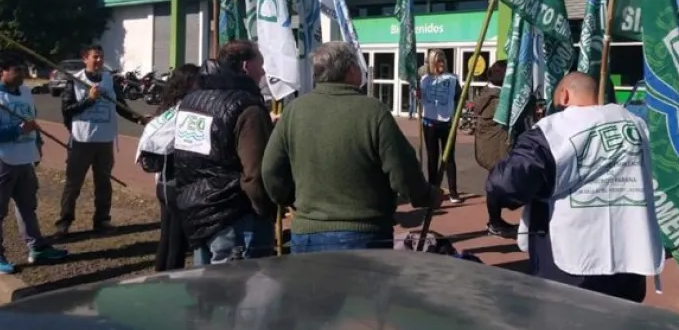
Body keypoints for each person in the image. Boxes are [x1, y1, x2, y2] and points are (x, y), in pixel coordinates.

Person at [486, 72, 663, 303]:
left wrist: (498, 210)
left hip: (571, 260)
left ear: (565, 95)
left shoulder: (553, 131)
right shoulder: (637, 124)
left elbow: (506, 184)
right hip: (629, 255)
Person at [261, 41, 442, 253]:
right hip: (364, 233)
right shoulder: (373, 111)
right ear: (351, 70)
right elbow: (403, 173)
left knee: (311, 287)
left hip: (307, 233)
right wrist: (428, 196)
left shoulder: (294, 111)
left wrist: (295, 201)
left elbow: (270, 171)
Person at [172, 40, 276, 265]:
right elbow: (255, 173)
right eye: (261, 64)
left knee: (209, 293)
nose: (264, 71)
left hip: (196, 214)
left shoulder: (190, 102)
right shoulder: (248, 108)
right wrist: (266, 209)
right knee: (241, 295)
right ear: (247, 66)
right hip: (235, 217)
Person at [0, 53, 68, 274]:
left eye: (23, 69)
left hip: (24, 160)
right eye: (17, 70)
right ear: (1, 72)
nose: (22, 74)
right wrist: (18, 131)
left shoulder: (25, 93)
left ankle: (37, 248)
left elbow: (31, 119)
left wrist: (37, 144)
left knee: (28, 207)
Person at [56, 44, 147, 236]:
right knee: (73, 184)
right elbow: (67, 110)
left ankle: (102, 220)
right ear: (85, 58)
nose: (98, 61)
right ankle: (64, 221)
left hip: (104, 141)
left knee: (104, 183)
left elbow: (121, 106)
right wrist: (89, 99)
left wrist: (139, 118)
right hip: (81, 141)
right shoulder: (75, 81)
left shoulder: (110, 81)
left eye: (101, 57)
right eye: (95, 57)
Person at [135, 63, 200, 272]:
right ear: (190, 84)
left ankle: (160, 277)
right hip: (177, 183)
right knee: (177, 241)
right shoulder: (188, 109)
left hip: (163, 183)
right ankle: (171, 283)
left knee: (167, 236)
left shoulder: (168, 108)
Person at [473, 60, 522, 238]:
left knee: (498, 184)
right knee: (496, 186)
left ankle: (496, 221)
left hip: (494, 149)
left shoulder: (491, 93)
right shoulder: (495, 97)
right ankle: (495, 223)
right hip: (493, 150)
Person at [419, 49, 462, 203]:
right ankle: (433, 189)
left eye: (443, 59)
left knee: (449, 157)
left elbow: (459, 97)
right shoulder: (424, 79)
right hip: (429, 122)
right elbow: (419, 96)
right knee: (432, 158)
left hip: (447, 123)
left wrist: (457, 116)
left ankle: (453, 191)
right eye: (438, 60)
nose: (441, 63)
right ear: (431, 62)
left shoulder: (452, 79)